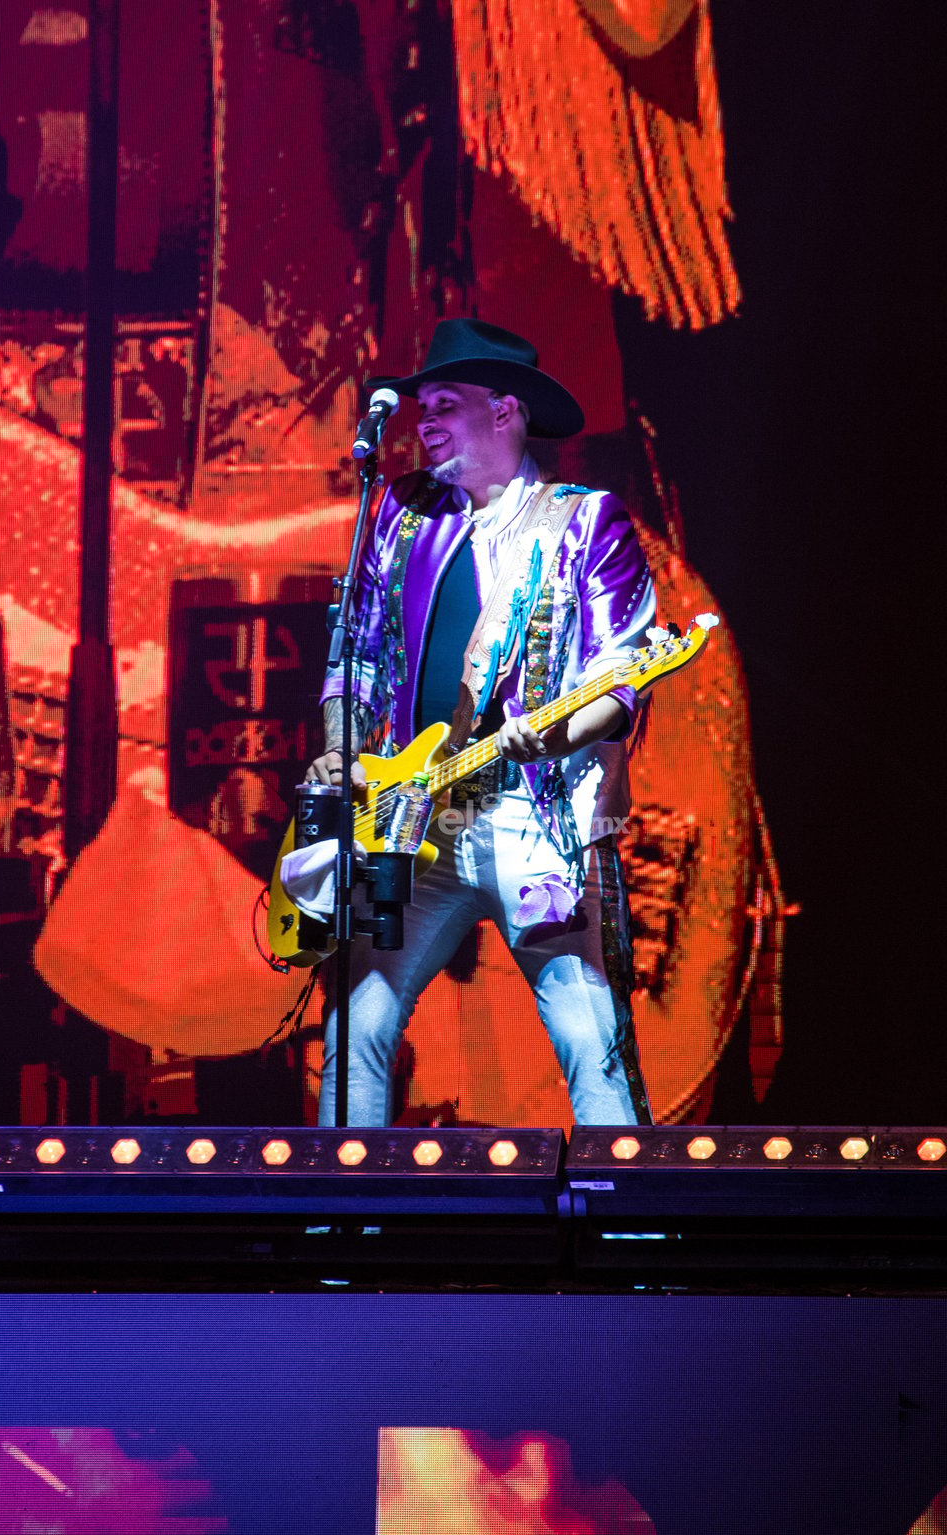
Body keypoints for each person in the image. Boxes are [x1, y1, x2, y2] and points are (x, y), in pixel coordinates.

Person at [308, 318, 657, 1126]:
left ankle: (628, 1231)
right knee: (356, 1022)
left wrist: (560, 732)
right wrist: (341, 753)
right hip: (415, 816)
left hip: (535, 820)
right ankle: (340, 1235)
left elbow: (620, 680)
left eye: (444, 404)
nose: (422, 421)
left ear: (505, 412)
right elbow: (352, 655)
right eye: (418, 406)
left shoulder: (583, 522)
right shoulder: (398, 514)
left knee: (587, 1031)